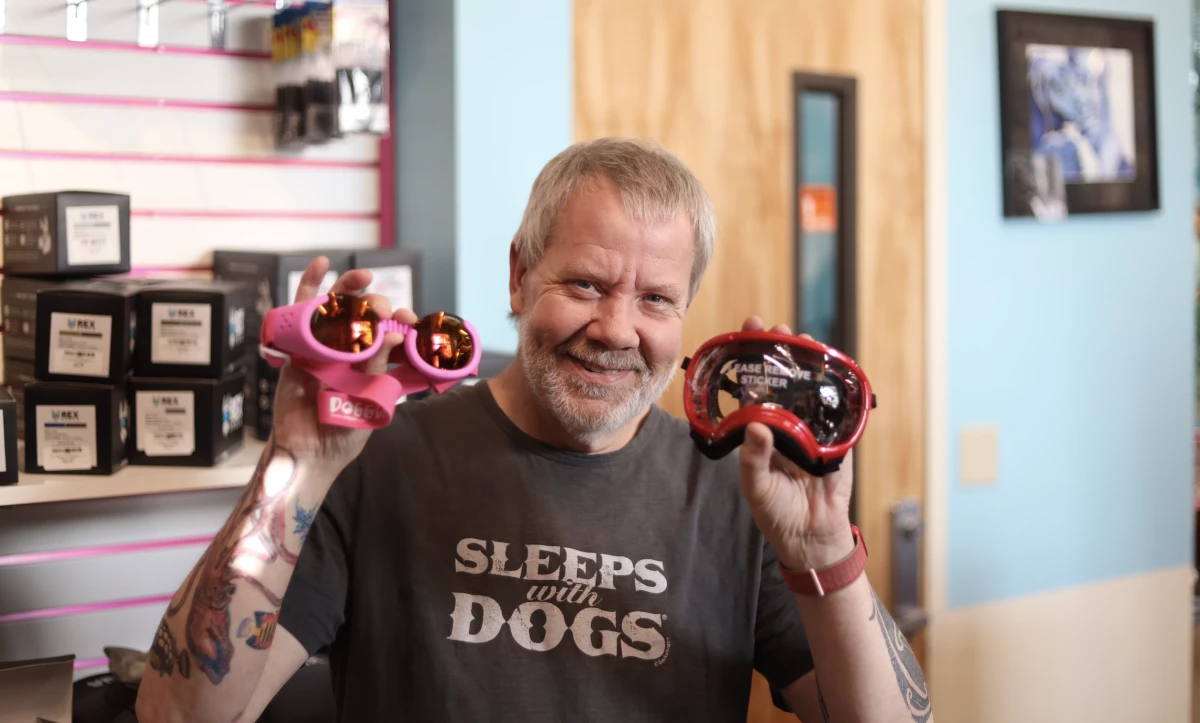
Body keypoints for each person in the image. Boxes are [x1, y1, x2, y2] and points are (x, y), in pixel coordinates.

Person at [135, 137, 933, 722]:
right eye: (586, 283)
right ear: (519, 276)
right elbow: (178, 713)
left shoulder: (734, 493)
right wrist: (293, 464)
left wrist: (826, 553)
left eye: (656, 298)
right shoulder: (383, 459)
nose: (618, 329)